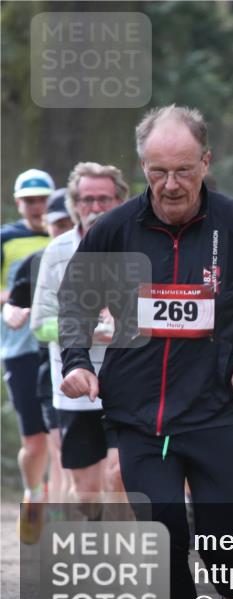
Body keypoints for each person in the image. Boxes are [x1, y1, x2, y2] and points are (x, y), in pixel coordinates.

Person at [59, 105, 233, 599]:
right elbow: (76, 304)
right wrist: (78, 360)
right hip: (139, 419)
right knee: (161, 542)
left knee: (220, 544)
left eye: (183, 170)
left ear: (206, 162)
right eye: (157, 171)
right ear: (142, 167)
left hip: (218, 413)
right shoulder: (114, 230)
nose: (170, 184)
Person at [32, 164, 129, 512]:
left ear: (120, 200)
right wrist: (85, 328)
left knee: (120, 475)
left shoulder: (137, 246)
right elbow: (40, 323)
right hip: (75, 385)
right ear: (75, 204)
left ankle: (126, 557)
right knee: (86, 494)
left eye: (104, 199)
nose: (95, 207)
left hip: (128, 380)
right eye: (87, 199)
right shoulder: (57, 251)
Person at [6, 189, 76, 507]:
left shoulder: (102, 259)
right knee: (45, 448)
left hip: (96, 367)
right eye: (57, 224)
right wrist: (15, 313)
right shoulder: (33, 261)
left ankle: (69, 523)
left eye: (67, 223)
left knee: (70, 454)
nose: (62, 230)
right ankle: (35, 495)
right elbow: (14, 305)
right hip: (38, 361)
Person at [2, 168, 56, 544]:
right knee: (34, 442)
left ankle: (68, 501)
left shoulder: (69, 234)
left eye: (43, 199)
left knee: (64, 436)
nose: (37, 207)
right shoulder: (6, 239)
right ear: (18, 203)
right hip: (19, 348)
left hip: (59, 347)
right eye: (30, 200)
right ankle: (34, 494)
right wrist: (16, 303)